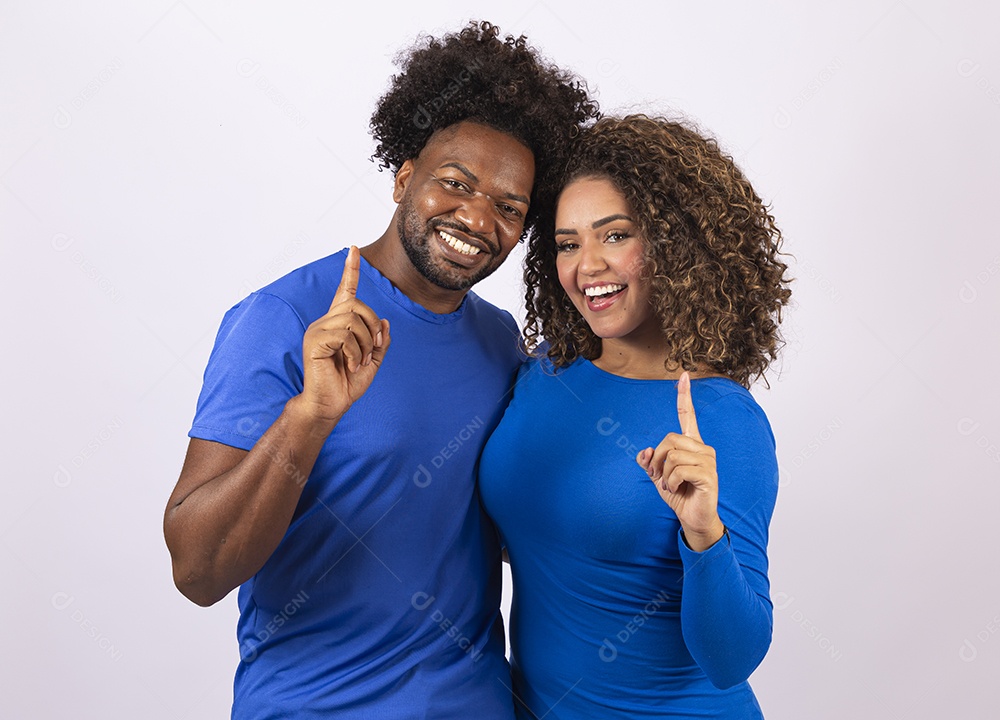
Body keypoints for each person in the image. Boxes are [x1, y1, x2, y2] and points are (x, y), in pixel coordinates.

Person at [163, 21, 597, 719]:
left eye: (509, 207)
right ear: (403, 177)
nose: (476, 218)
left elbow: (496, 524)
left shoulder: (499, 340)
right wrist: (310, 416)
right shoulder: (284, 317)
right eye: (454, 183)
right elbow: (198, 571)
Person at [478, 115, 792, 718]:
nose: (587, 265)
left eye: (615, 235)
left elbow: (732, 660)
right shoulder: (547, 370)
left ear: (676, 245)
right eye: (568, 244)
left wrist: (704, 534)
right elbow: (542, 537)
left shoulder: (724, 419)